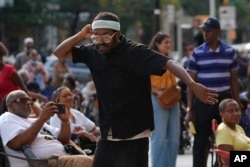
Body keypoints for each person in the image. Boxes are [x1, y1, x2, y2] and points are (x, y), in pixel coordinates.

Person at [53, 11, 218, 167]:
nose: (101, 40)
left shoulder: (135, 52)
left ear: (117, 34)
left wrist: (191, 83)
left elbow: (169, 63)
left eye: (106, 35)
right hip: (108, 133)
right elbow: (59, 53)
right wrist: (82, 35)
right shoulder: (93, 51)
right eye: (96, 35)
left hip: (133, 134)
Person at [185, 17, 240, 167]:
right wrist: (190, 109)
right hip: (203, 100)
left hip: (224, 100)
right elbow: (191, 83)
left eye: (208, 31)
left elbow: (234, 81)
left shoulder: (230, 52)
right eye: (203, 31)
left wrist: (237, 105)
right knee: (200, 142)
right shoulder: (197, 53)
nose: (205, 34)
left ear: (216, 32)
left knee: (226, 139)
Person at [0, 90, 93, 167]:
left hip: (63, 157)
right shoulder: (7, 118)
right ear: (10, 106)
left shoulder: (32, 121)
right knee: (87, 162)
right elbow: (16, 143)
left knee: (102, 159)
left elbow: (64, 140)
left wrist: (65, 121)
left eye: (30, 100)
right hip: (43, 163)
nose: (29, 102)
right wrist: (41, 119)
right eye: (23, 100)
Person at [148, 32, 180, 167]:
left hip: (172, 99)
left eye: (169, 42)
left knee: (174, 139)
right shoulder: (149, 60)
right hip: (157, 98)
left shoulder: (170, 61)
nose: (168, 45)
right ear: (157, 44)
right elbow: (144, 82)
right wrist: (157, 93)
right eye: (165, 42)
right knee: (159, 138)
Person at [50, 86, 100, 154]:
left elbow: (94, 129)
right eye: (65, 96)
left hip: (90, 145)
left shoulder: (76, 113)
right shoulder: (55, 119)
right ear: (57, 100)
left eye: (70, 95)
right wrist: (80, 134)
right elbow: (61, 139)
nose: (69, 98)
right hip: (74, 150)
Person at [215, 98, 250, 167]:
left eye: (237, 110)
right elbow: (228, 161)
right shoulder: (223, 131)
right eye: (230, 111)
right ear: (221, 114)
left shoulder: (238, 127)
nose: (236, 114)